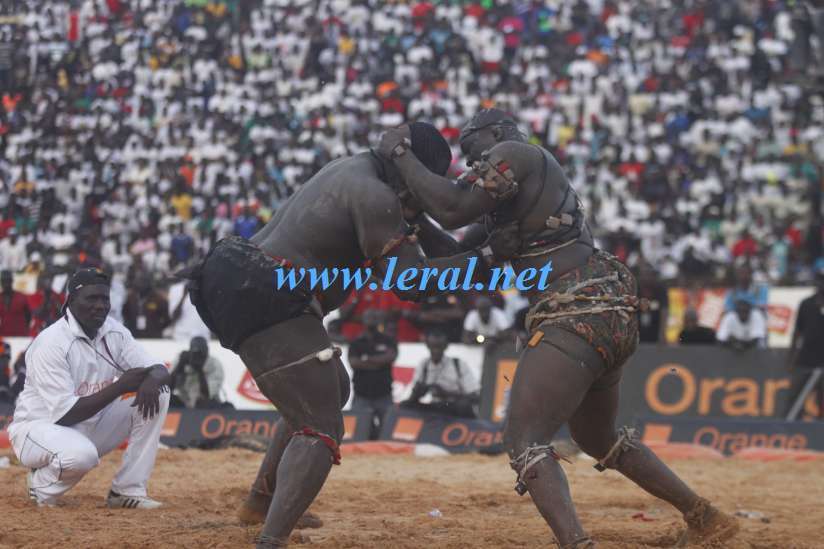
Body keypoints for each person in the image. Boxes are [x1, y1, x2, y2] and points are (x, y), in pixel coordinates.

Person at [378, 110, 738, 547]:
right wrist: (413, 221)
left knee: (524, 439)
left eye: (473, 151)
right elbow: (459, 253)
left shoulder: (516, 153)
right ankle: (704, 516)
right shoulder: (512, 195)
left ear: (493, 133)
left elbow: (453, 208)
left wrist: (398, 152)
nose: (472, 163)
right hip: (604, 309)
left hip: (577, 311)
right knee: (596, 436)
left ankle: (575, 543)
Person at [182, 121, 515, 547]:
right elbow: (412, 281)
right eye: (421, 183)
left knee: (331, 389)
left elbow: (441, 248)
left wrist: (482, 244)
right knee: (321, 424)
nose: (423, 194)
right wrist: (489, 256)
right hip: (265, 288)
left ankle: (261, 502)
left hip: (243, 275)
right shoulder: (376, 197)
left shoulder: (360, 174)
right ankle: (271, 539)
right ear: (407, 170)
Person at [6, 269, 171, 509]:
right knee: (80, 456)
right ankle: (39, 484)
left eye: (104, 299)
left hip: (88, 425)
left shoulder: (114, 331)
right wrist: (119, 387)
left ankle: (127, 490)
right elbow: (64, 414)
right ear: (71, 301)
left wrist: (153, 377)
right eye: (91, 298)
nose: (100, 306)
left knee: (159, 392)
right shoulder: (51, 343)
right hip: (38, 429)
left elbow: (158, 369)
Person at [401, 330, 480, 418]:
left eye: (439, 347)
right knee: (405, 406)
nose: (436, 351)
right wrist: (420, 391)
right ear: (427, 346)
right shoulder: (424, 365)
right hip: (434, 407)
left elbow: (474, 397)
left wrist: (446, 393)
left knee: (463, 406)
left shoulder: (457, 364)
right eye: (433, 347)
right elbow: (413, 396)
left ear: (446, 346)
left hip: (454, 407)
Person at [347, 309, 398, 439]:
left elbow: (390, 357)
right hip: (361, 395)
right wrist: (378, 362)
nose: (372, 319)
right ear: (362, 320)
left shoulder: (388, 339)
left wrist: (366, 359)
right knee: (359, 434)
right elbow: (353, 363)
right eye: (368, 317)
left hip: (384, 395)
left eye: (374, 317)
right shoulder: (356, 342)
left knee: (388, 432)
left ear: (379, 320)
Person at [786, 269, 824, 418]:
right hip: (806, 358)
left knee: (822, 398)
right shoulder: (806, 304)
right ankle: (794, 428)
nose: (822, 284)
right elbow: (797, 332)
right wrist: (791, 357)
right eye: (819, 280)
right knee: (797, 396)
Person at [169, 336, 227, 408]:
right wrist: (179, 366)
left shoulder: (215, 364)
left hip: (205, 403)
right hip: (183, 401)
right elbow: (168, 389)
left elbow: (206, 394)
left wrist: (200, 371)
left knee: (206, 403)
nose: (197, 357)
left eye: (200, 355)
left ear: (207, 352)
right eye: (195, 353)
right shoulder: (182, 359)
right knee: (168, 399)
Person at [122, 272, 170, 338]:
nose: (141, 284)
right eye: (139, 280)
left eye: (144, 281)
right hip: (134, 336)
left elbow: (167, 320)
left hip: (153, 337)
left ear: (150, 283)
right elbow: (125, 314)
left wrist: (157, 328)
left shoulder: (159, 299)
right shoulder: (131, 297)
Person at [0, 269, 31, 337]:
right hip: (3, 336)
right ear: (1, 282)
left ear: (12, 281)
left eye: (8, 280)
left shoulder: (22, 297)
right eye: (4, 281)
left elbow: (28, 316)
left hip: (20, 336)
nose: (6, 284)